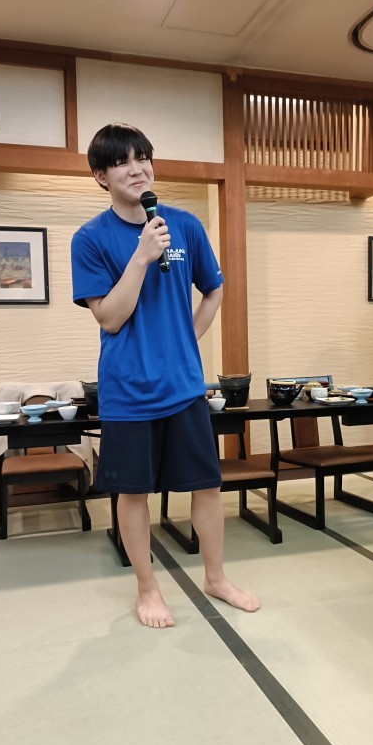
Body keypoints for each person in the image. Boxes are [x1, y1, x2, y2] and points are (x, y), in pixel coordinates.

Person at [71, 123, 260, 628]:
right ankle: (147, 588)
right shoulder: (90, 239)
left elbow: (214, 290)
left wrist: (185, 338)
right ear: (100, 176)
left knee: (206, 486)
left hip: (184, 387)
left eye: (143, 158)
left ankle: (217, 577)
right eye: (122, 162)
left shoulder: (185, 225)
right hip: (127, 390)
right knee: (133, 493)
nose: (137, 169)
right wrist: (141, 256)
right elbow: (110, 317)